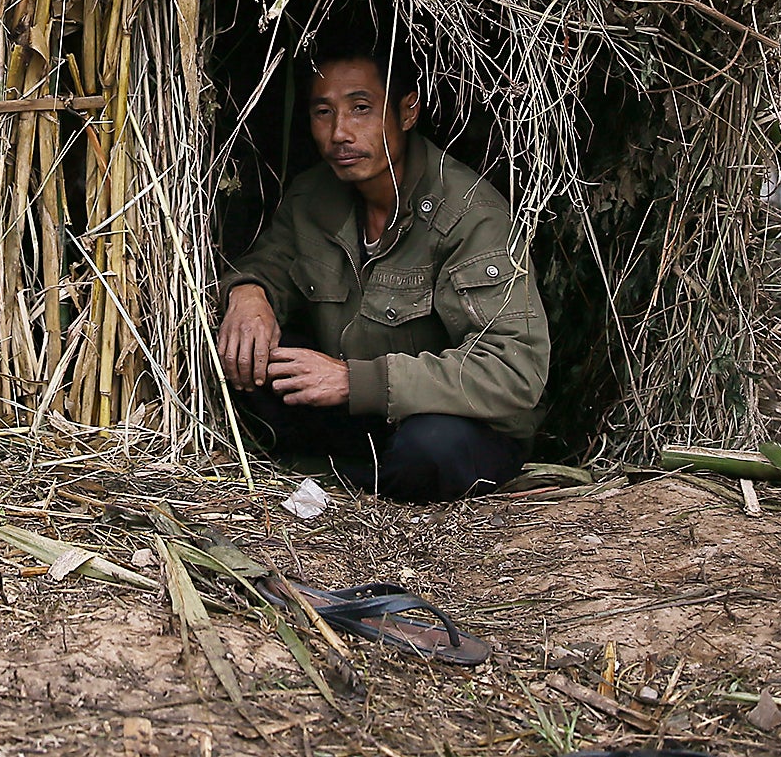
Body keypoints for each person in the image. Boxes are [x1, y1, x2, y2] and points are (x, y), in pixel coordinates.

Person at [216, 38, 548, 502]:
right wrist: (249, 294)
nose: (340, 134)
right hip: (356, 414)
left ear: (406, 112)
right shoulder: (313, 197)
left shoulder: (471, 215)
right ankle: (337, 473)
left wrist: (357, 380)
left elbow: (514, 370)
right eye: (323, 112)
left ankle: (344, 475)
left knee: (430, 449)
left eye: (360, 108)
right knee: (251, 355)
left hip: (454, 421)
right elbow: (273, 265)